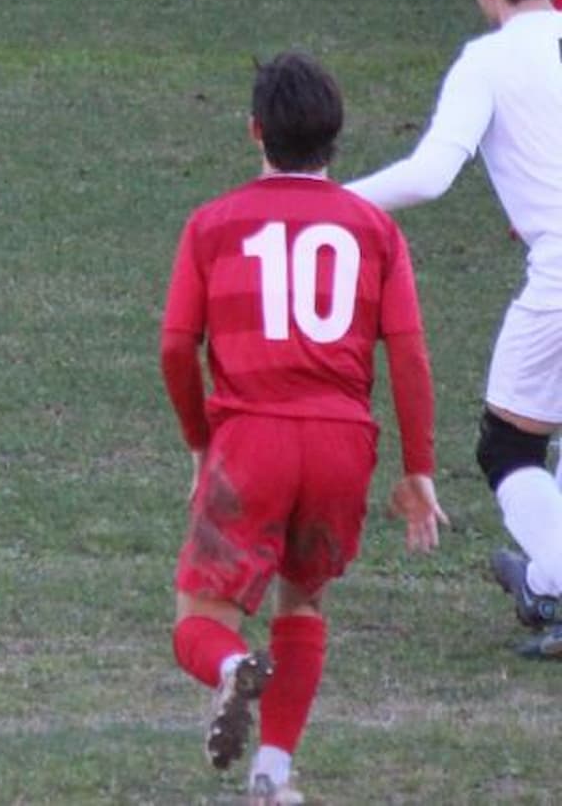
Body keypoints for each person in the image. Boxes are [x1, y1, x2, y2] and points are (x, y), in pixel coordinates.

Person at [162, 51, 445, 804]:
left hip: (251, 439)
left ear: (256, 130)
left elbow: (173, 346)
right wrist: (418, 469)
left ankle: (230, 669)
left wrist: (200, 439)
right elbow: (410, 356)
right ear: (336, 138)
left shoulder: (213, 224)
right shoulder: (375, 229)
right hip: (341, 442)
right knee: (304, 601)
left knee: (200, 618)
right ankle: (273, 775)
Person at [346, 0, 562, 658]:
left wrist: (334, 199)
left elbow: (430, 174)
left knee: (508, 447)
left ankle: (556, 577)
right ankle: (544, 574)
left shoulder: (487, 60)